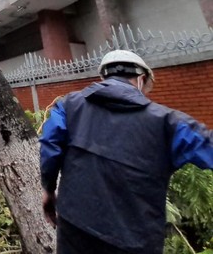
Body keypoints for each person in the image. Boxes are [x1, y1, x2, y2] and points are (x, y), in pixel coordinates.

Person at [39, 49, 213, 254]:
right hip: (136, 238)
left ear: (103, 77)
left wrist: (48, 190)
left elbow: (50, 147)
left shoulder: (68, 106)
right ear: (141, 79)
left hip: (75, 225)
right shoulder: (170, 123)